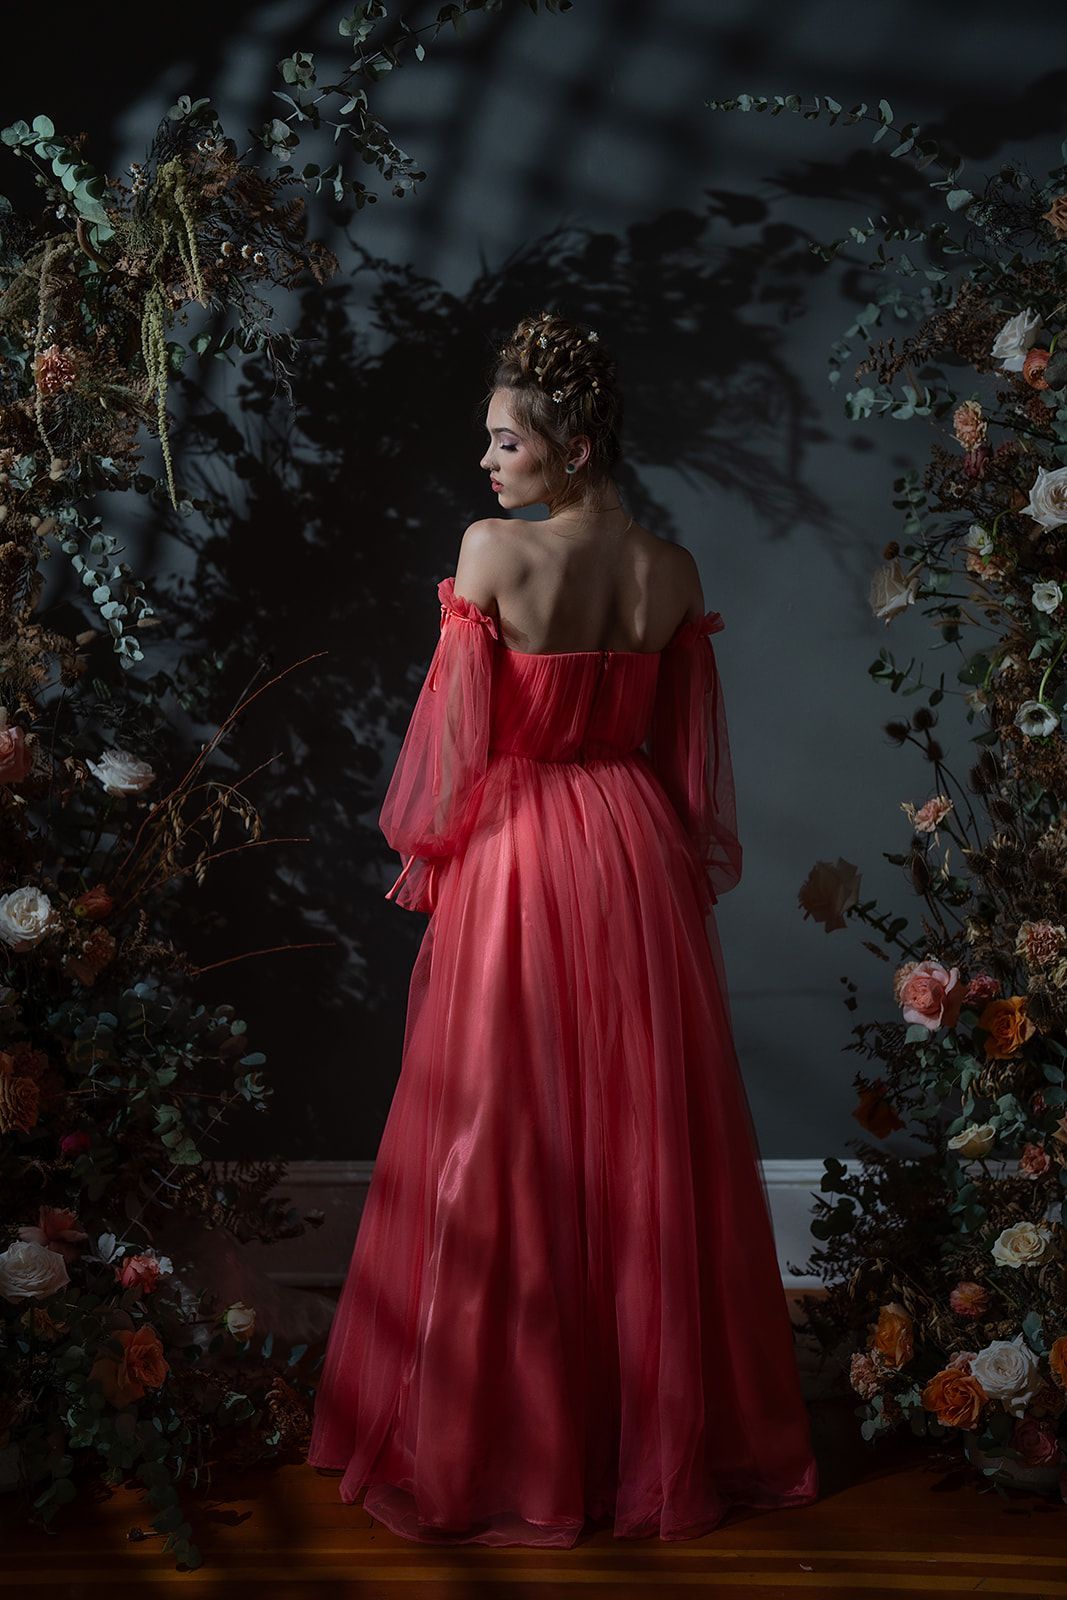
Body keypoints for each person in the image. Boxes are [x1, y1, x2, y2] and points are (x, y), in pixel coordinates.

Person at [306, 309, 820, 1546]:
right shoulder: (671, 573)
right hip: (633, 852)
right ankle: (633, 1439)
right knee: (642, 1136)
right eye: (489, 444)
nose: (487, 463)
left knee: (504, 1131)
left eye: (506, 441)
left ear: (571, 445)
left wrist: (439, 859)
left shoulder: (489, 557)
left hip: (524, 849)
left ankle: (510, 1440)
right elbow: (685, 767)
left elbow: (452, 762)